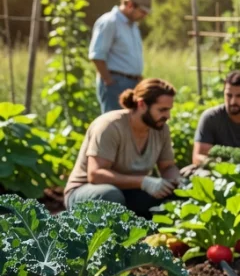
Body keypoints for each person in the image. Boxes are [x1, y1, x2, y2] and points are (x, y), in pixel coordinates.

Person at [63, 78, 180, 218]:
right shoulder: (110, 126)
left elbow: (167, 167)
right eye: (162, 110)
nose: (167, 116)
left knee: (175, 197)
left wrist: (177, 181)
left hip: (130, 191)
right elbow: (96, 175)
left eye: (169, 110)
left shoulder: (160, 129)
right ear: (142, 104)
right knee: (110, 196)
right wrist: (143, 182)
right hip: (88, 192)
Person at [89, 0, 151, 113]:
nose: (144, 16)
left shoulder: (133, 26)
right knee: (115, 125)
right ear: (130, 5)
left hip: (132, 83)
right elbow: (97, 55)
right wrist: (109, 81)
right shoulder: (110, 22)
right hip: (115, 83)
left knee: (130, 126)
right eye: (142, 12)